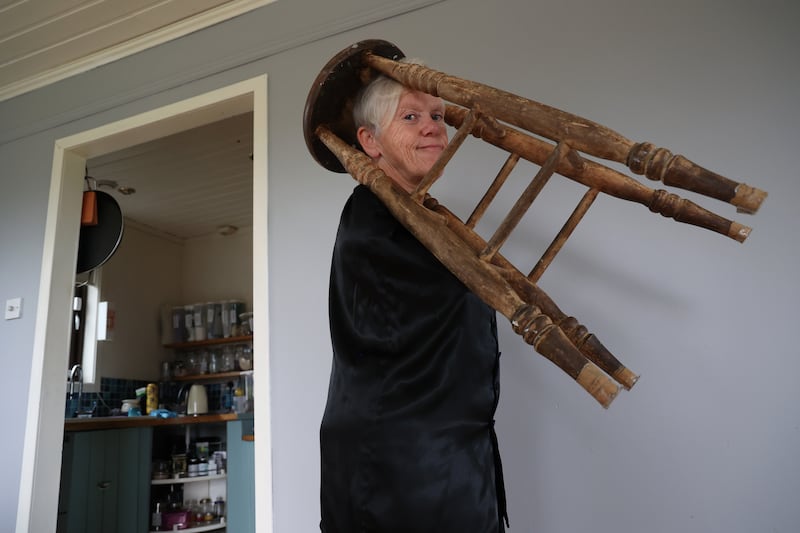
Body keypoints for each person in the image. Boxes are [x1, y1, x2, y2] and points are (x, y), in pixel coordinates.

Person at [320, 64, 509, 533]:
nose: (432, 127)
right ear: (370, 142)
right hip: (397, 470)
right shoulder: (370, 214)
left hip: (449, 457)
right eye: (410, 117)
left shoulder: (424, 217)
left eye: (439, 116)